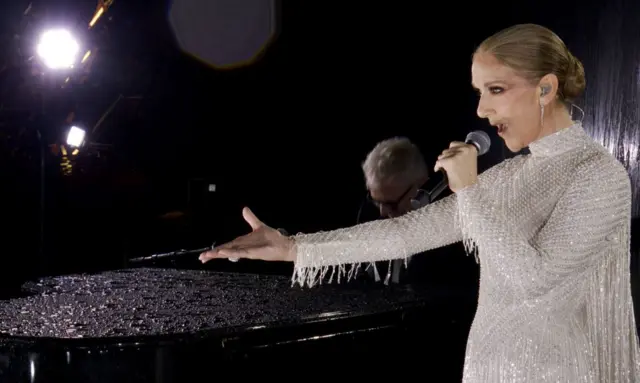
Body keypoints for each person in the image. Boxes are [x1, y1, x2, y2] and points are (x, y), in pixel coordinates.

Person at [200, 23, 640, 382]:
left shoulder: (598, 176)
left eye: (496, 90)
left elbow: (535, 281)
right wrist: (293, 247)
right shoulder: (510, 175)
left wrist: (468, 190)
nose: (482, 111)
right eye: (478, 92)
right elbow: (406, 231)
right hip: (486, 369)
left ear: (546, 88)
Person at [360, 136, 430, 283]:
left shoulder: (451, 237)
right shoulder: (368, 215)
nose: (382, 212)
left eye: (391, 204)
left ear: (421, 189)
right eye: (376, 201)